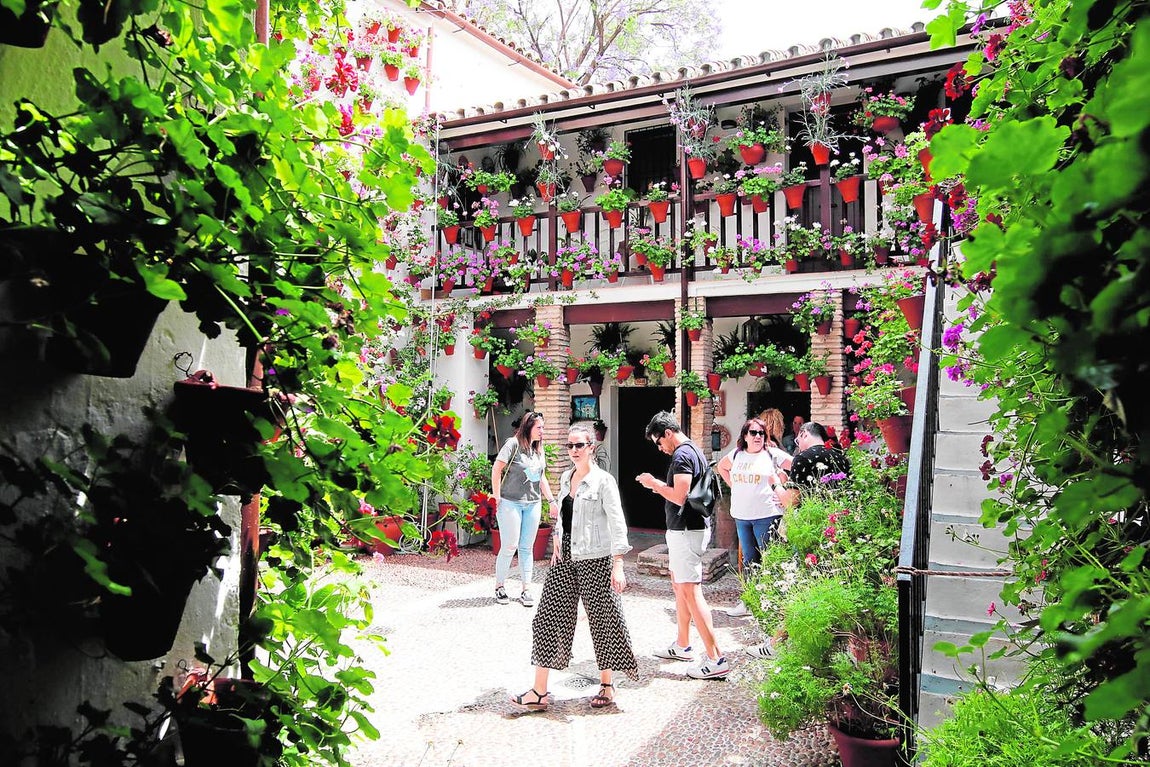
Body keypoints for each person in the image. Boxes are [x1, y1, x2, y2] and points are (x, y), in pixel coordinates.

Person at [510, 422, 637, 711]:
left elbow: (618, 524)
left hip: (596, 558)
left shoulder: (604, 481)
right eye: (570, 445)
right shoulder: (566, 477)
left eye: (579, 445)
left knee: (604, 621)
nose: (574, 450)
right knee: (548, 618)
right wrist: (556, 537)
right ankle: (539, 692)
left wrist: (618, 564)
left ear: (591, 447)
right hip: (565, 557)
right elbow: (564, 517)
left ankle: (607, 684)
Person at [636, 411, 729, 680]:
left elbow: (679, 496)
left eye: (658, 441)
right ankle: (683, 644)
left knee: (690, 590)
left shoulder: (682, 455)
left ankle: (716, 658)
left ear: (667, 433)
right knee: (680, 586)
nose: (659, 448)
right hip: (687, 529)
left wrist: (654, 484)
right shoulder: (691, 452)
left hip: (688, 530)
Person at [716, 417, 790, 588]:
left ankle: (770, 599)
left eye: (762, 433)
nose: (758, 436)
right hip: (742, 516)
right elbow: (721, 467)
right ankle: (749, 600)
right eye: (753, 432)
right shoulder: (736, 454)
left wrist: (784, 489)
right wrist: (734, 486)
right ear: (745, 435)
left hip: (766, 515)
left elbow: (797, 466)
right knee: (749, 559)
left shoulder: (772, 454)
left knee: (769, 557)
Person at [491, 411, 556, 607]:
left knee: (527, 547)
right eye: (539, 428)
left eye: (543, 427)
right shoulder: (513, 444)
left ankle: (526, 589)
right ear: (528, 427)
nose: (542, 431)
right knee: (510, 545)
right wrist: (497, 496)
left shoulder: (538, 449)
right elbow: (497, 468)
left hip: (533, 503)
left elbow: (541, 477)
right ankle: (499, 586)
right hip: (510, 502)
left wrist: (551, 501)